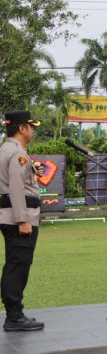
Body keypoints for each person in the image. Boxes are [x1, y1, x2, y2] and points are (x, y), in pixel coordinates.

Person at [1, 110, 44, 331]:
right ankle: (14, 317)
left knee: (16, 263)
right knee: (18, 265)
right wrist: (22, 220)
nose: (33, 130)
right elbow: (16, 187)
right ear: (22, 128)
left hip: (11, 216)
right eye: (31, 126)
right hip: (19, 218)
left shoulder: (7, 150)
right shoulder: (16, 153)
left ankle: (15, 313)